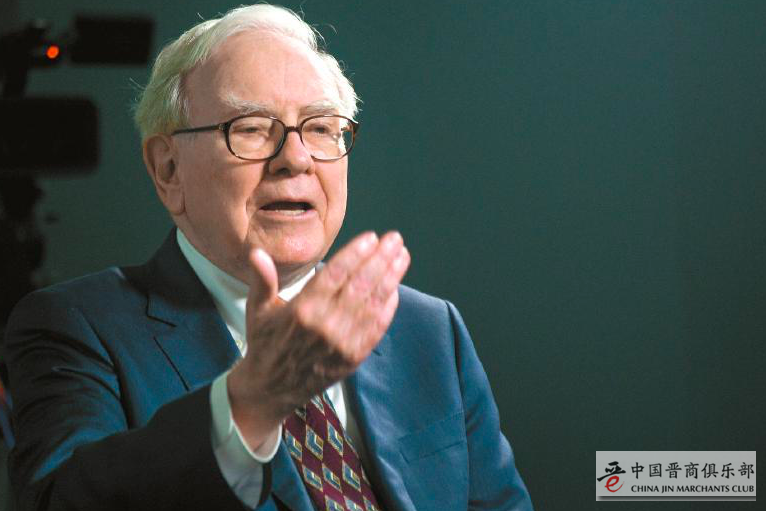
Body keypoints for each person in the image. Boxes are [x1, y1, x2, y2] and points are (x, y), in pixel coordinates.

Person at [4, 4, 532, 510]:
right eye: (252, 128)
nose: (295, 159)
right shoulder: (75, 328)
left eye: (321, 127)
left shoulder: (428, 330)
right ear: (169, 170)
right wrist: (251, 404)